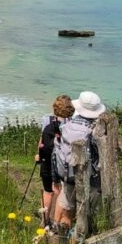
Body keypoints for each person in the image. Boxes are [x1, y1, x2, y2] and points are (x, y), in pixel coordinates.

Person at [52, 91, 106, 232]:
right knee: (89, 215)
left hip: (68, 175)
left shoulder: (65, 127)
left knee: (67, 213)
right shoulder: (96, 131)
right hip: (91, 180)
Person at [34, 95, 74, 227]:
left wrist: (38, 154)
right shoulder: (72, 124)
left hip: (46, 160)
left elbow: (42, 141)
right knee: (60, 192)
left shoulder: (47, 120)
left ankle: (44, 221)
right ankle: (58, 222)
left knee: (47, 191)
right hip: (63, 163)